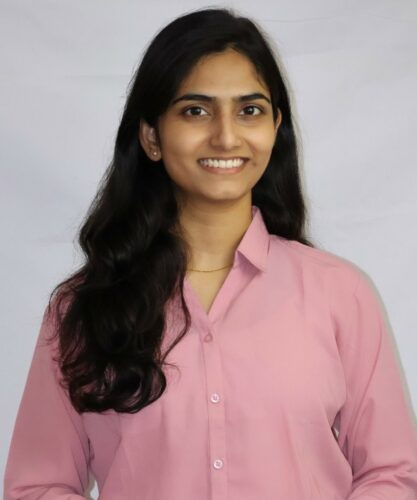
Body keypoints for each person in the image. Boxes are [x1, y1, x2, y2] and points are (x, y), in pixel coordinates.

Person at [4, 7, 417, 499]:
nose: (226, 136)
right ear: (152, 136)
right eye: (195, 110)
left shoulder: (340, 294)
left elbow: (392, 475)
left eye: (250, 110)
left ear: (275, 127)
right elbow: (38, 486)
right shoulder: (82, 308)